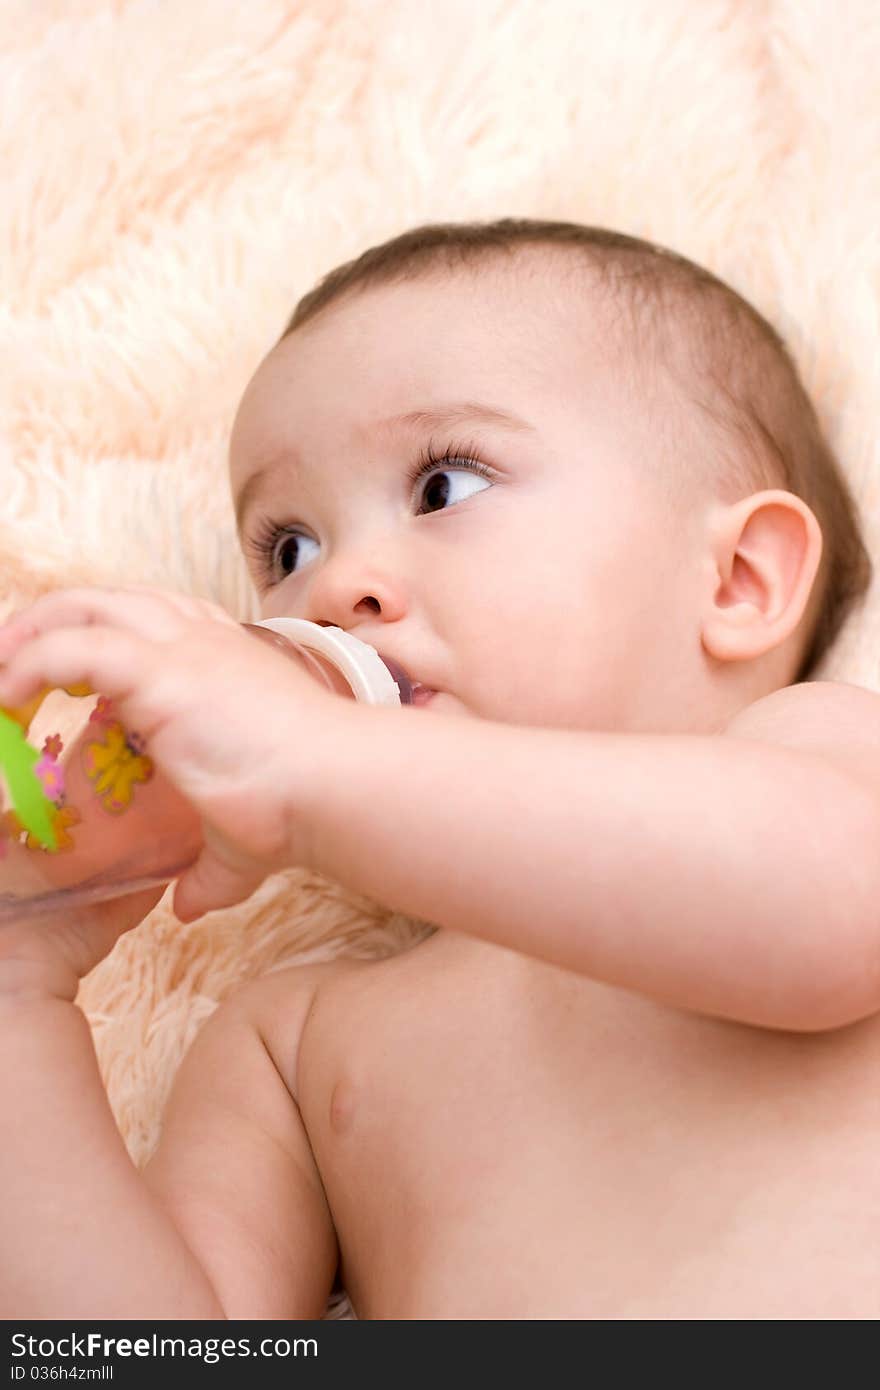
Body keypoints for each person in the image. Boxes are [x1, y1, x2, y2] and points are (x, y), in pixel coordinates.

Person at [1, 219, 879, 1320]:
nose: (335, 589)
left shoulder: (817, 755)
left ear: (737, 581)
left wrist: (307, 761)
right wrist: (17, 986)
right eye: (287, 548)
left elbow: (824, 911)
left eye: (442, 487)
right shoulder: (292, 1038)